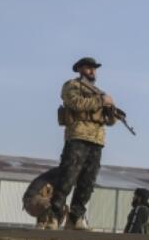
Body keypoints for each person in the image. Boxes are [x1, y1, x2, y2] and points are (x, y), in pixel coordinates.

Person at [51, 56, 123, 229]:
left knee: (88, 182)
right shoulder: (72, 85)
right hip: (78, 136)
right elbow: (76, 103)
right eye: (89, 68)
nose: (92, 71)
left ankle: (75, 217)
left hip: (97, 140)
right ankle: (52, 216)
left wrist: (112, 110)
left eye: (94, 68)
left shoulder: (99, 92)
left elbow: (110, 121)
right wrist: (101, 101)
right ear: (80, 69)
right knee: (67, 177)